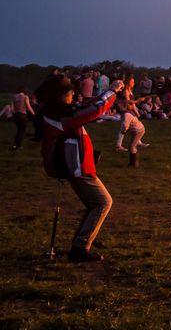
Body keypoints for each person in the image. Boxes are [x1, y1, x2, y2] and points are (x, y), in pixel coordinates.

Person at [40, 75, 122, 262]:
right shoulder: (61, 114)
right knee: (103, 202)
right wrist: (113, 90)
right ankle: (80, 247)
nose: (73, 96)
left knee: (94, 204)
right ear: (63, 95)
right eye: (70, 93)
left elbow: (86, 106)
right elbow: (94, 110)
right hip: (75, 167)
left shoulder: (56, 110)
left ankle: (84, 238)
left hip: (74, 165)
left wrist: (106, 93)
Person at [114, 76, 148, 164]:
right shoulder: (125, 91)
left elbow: (132, 104)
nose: (134, 83)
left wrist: (136, 111)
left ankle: (138, 142)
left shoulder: (130, 91)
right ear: (128, 82)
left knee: (135, 127)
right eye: (132, 81)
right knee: (126, 127)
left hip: (130, 111)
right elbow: (129, 102)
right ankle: (119, 145)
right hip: (127, 111)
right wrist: (138, 101)